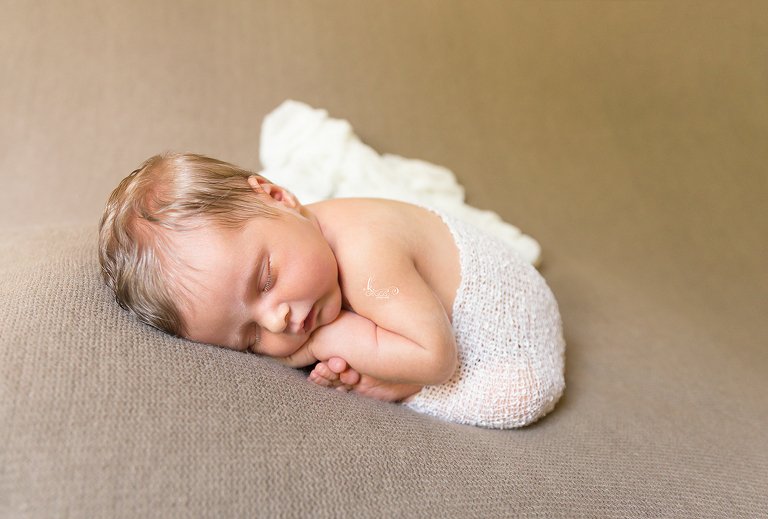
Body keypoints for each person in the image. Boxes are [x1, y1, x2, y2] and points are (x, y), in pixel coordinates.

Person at [99, 152, 565, 428]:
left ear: (278, 196)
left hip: (512, 328)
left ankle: (401, 383)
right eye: (250, 338)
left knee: (521, 397)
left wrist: (329, 339)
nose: (277, 320)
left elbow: (439, 360)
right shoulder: (298, 243)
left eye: (265, 280)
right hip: (426, 319)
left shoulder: (365, 250)